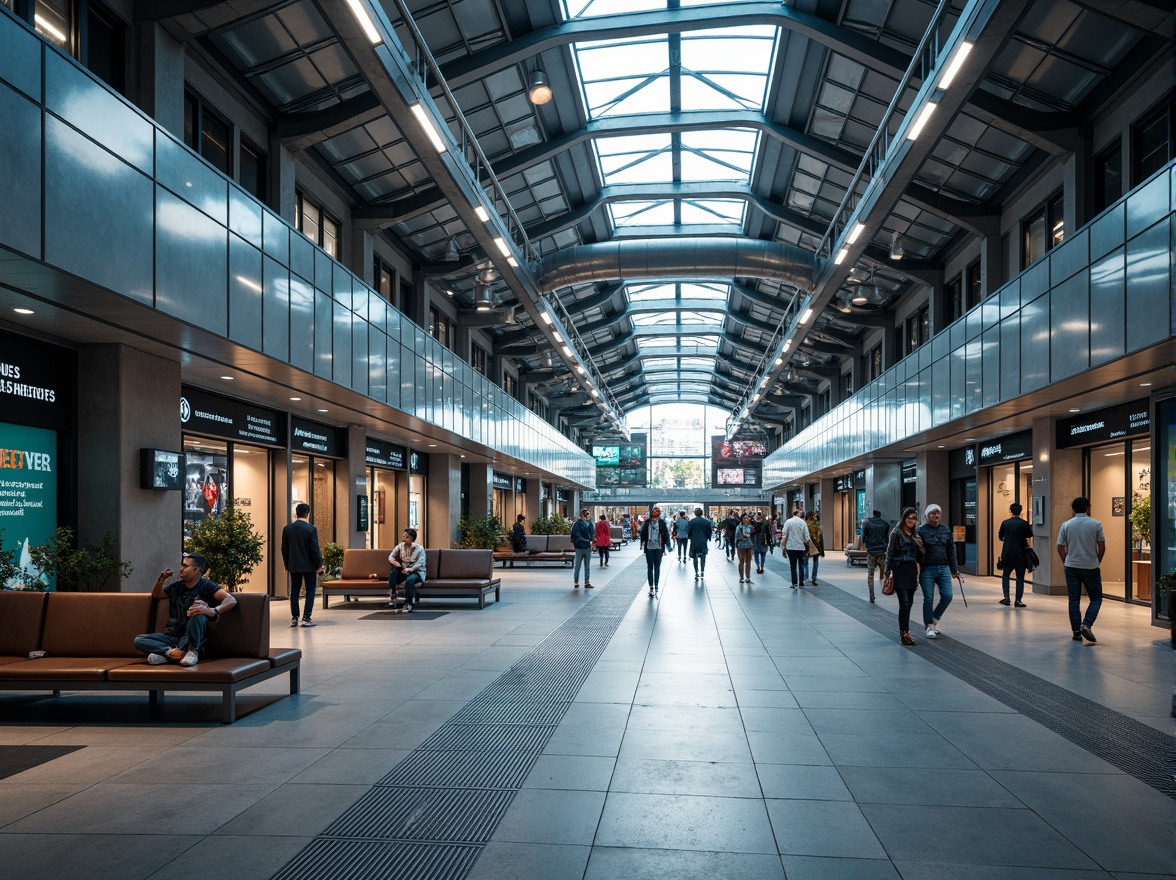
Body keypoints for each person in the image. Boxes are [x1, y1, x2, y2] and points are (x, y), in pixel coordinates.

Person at [134, 554, 236, 666]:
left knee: (197, 612)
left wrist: (212, 610)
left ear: (196, 570)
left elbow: (231, 600)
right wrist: (161, 579)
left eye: (185, 566)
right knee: (139, 640)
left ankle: (191, 651)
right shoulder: (176, 586)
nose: (181, 569)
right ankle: (170, 653)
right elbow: (157, 594)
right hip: (171, 637)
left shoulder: (206, 585)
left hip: (191, 638)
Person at [1057, 496, 1106, 643]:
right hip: (1090, 566)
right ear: (1087, 507)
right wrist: (1097, 560)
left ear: (1073, 509)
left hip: (1071, 566)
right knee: (1096, 598)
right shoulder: (1096, 524)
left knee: (1073, 599)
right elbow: (1102, 545)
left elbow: (1060, 546)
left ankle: (1076, 632)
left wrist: (1066, 560)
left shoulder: (1066, 525)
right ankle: (1087, 624)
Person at [917, 504, 961, 639]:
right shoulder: (920, 531)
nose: (935, 516)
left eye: (938, 513)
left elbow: (951, 551)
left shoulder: (945, 531)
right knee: (928, 598)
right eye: (932, 513)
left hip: (944, 567)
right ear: (926, 515)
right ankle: (928, 626)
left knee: (948, 596)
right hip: (927, 568)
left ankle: (934, 620)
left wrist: (954, 569)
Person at [884, 507, 925, 646]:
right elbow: (889, 552)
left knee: (910, 603)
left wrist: (920, 545)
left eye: (914, 518)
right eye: (910, 517)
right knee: (905, 603)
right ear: (904, 517)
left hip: (911, 570)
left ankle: (905, 630)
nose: (912, 520)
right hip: (899, 568)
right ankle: (904, 633)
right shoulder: (896, 533)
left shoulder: (916, 534)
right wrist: (887, 570)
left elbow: (920, 555)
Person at [281, 502, 324, 627]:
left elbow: (284, 549)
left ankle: (294, 617)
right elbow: (314, 549)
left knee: (294, 591)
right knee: (310, 590)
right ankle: (306, 617)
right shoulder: (311, 529)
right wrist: (319, 564)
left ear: (296, 513)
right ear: (308, 514)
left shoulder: (287, 529)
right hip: (309, 565)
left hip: (293, 565)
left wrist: (286, 563)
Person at [997, 502, 1033, 607]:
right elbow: (1029, 534)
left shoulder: (1005, 523)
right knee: (1020, 576)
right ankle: (1018, 600)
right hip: (1020, 553)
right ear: (1020, 511)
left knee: (1006, 574)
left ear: (1010, 511)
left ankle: (1006, 597)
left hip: (1007, 552)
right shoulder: (1024, 523)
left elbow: (1000, 536)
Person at [387, 527, 426, 612]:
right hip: (404, 570)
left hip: (416, 572)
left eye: (406, 536)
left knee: (410, 579)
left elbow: (420, 564)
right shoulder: (400, 546)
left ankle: (408, 603)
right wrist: (395, 562)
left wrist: (410, 569)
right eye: (403, 536)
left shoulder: (419, 549)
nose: (404, 538)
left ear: (411, 538)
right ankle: (392, 593)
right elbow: (391, 556)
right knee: (393, 571)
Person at [639, 506, 672, 596]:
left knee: (654, 567)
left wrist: (668, 545)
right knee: (652, 567)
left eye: (656, 513)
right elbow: (642, 533)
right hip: (651, 547)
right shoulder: (647, 523)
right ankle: (652, 586)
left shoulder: (661, 523)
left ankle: (655, 586)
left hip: (658, 547)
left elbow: (665, 535)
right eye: (654, 513)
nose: (655, 516)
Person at [862, 510, 891, 603]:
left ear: (873, 515)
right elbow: (887, 537)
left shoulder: (868, 523)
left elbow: (864, 535)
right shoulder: (885, 524)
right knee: (883, 569)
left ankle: (871, 594)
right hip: (881, 551)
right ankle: (883, 582)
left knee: (870, 573)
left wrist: (866, 545)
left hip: (871, 551)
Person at [781, 508, 812, 589]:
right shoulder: (803, 522)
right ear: (799, 515)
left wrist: (783, 547)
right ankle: (801, 581)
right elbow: (807, 536)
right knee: (801, 564)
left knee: (793, 565)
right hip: (801, 547)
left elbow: (784, 535)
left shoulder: (788, 522)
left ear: (793, 514)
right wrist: (808, 545)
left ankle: (794, 583)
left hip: (791, 547)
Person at [571, 508, 595, 589]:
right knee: (587, 565)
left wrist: (575, 543)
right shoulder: (589, 524)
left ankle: (576, 582)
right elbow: (592, 534)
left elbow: (573, 534)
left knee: (577, 565)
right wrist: (591, 541)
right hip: (587, 546)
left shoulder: (577, 523)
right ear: (586, 515)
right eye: (588, 514)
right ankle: (586, 582)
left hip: (578, 547)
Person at [686, 507, 713, 579]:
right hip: (703, 541)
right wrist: (708, 538)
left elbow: (688, 531)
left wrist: (689, 537)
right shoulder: (706, 522)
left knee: (695, 557)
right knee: (703, 556)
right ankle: (702, 571)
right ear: (702, 513)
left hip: (694, 541)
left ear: (695, 513)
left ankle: (696, 572)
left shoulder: (692, 521)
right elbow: (709, 531)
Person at [735, 512, 755, 583]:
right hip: (741, 546)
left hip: (749, 546)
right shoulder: (739, 527)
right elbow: (737, 536)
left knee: (748, 562)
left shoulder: (750, 527)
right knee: (741, 561)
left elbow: (753, 535)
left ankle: (748, 577)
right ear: (742, 519)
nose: (746, 519)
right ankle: (741, 577)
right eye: (744, 518)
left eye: (747, 518)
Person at [806, 511, 824, 586]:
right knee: (815, 561)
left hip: (808, 545)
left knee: (805, 561)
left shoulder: (806, 524)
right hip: (817, 545)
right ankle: (814, 577)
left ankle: (805, 577)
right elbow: (820, 536)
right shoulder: (818, 524)